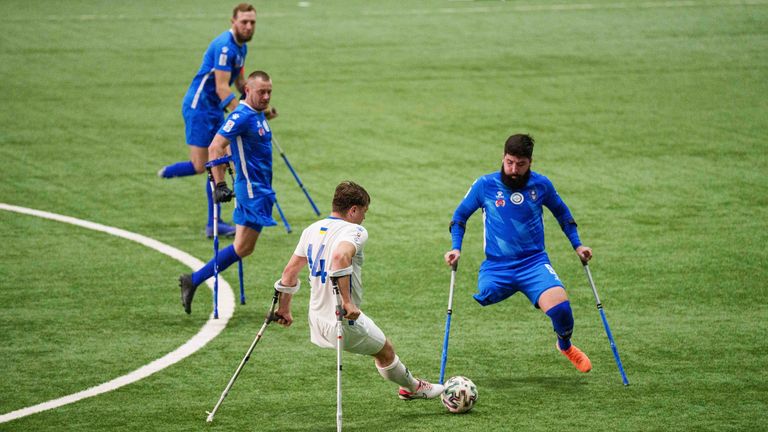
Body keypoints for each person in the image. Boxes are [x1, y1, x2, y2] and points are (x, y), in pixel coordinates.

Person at [273, 181, 444, 400]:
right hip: (342, 320)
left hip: (315, 319)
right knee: (386, 351)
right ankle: (413, 388)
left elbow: (289, 273)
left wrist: (284, 309)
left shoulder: (311, 230)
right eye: (364, 212)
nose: (364, 217)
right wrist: (347, 302)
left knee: (381, 348)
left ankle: (409, 388)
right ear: (353, 210)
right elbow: (339, 257)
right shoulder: (355, 230)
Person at [444, 134, 594, 373]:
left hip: (533, 264)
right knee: (486, 293)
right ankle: (508, 288)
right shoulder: (485, 185)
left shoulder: (541, 185)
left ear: (530, 162)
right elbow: (460, 217)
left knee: (562, 310)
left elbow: (563, 215)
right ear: (503, 158)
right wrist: (456, 247)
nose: (513, 169)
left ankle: (565, 345)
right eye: (509, 162)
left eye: (520, 164)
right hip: (497, 266)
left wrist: (578, 245)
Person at [158, 3, 277, 238]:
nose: (248, 26)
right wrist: (247, 115)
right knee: (201, 165)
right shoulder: (225, 47)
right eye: (244, 21)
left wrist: (259, 106)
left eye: (252, 22)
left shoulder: (241, 48)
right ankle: (166, 172)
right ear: (233, 21)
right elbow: (221, 87)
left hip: (214, 109)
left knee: (218, 162)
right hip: (201, 108)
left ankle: (214, 224)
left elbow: (240, 85)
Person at [179, 70, 278, 314]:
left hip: (260, 189)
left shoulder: (256, 114)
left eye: (269, 92)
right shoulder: (241, 116)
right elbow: (215, 147)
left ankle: (193, 280)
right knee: (243, 247)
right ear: (247, 90)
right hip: (253, 192)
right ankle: (193, 280)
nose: (266, 96)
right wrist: (220, 184)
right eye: (261, 92)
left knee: (242, 247)